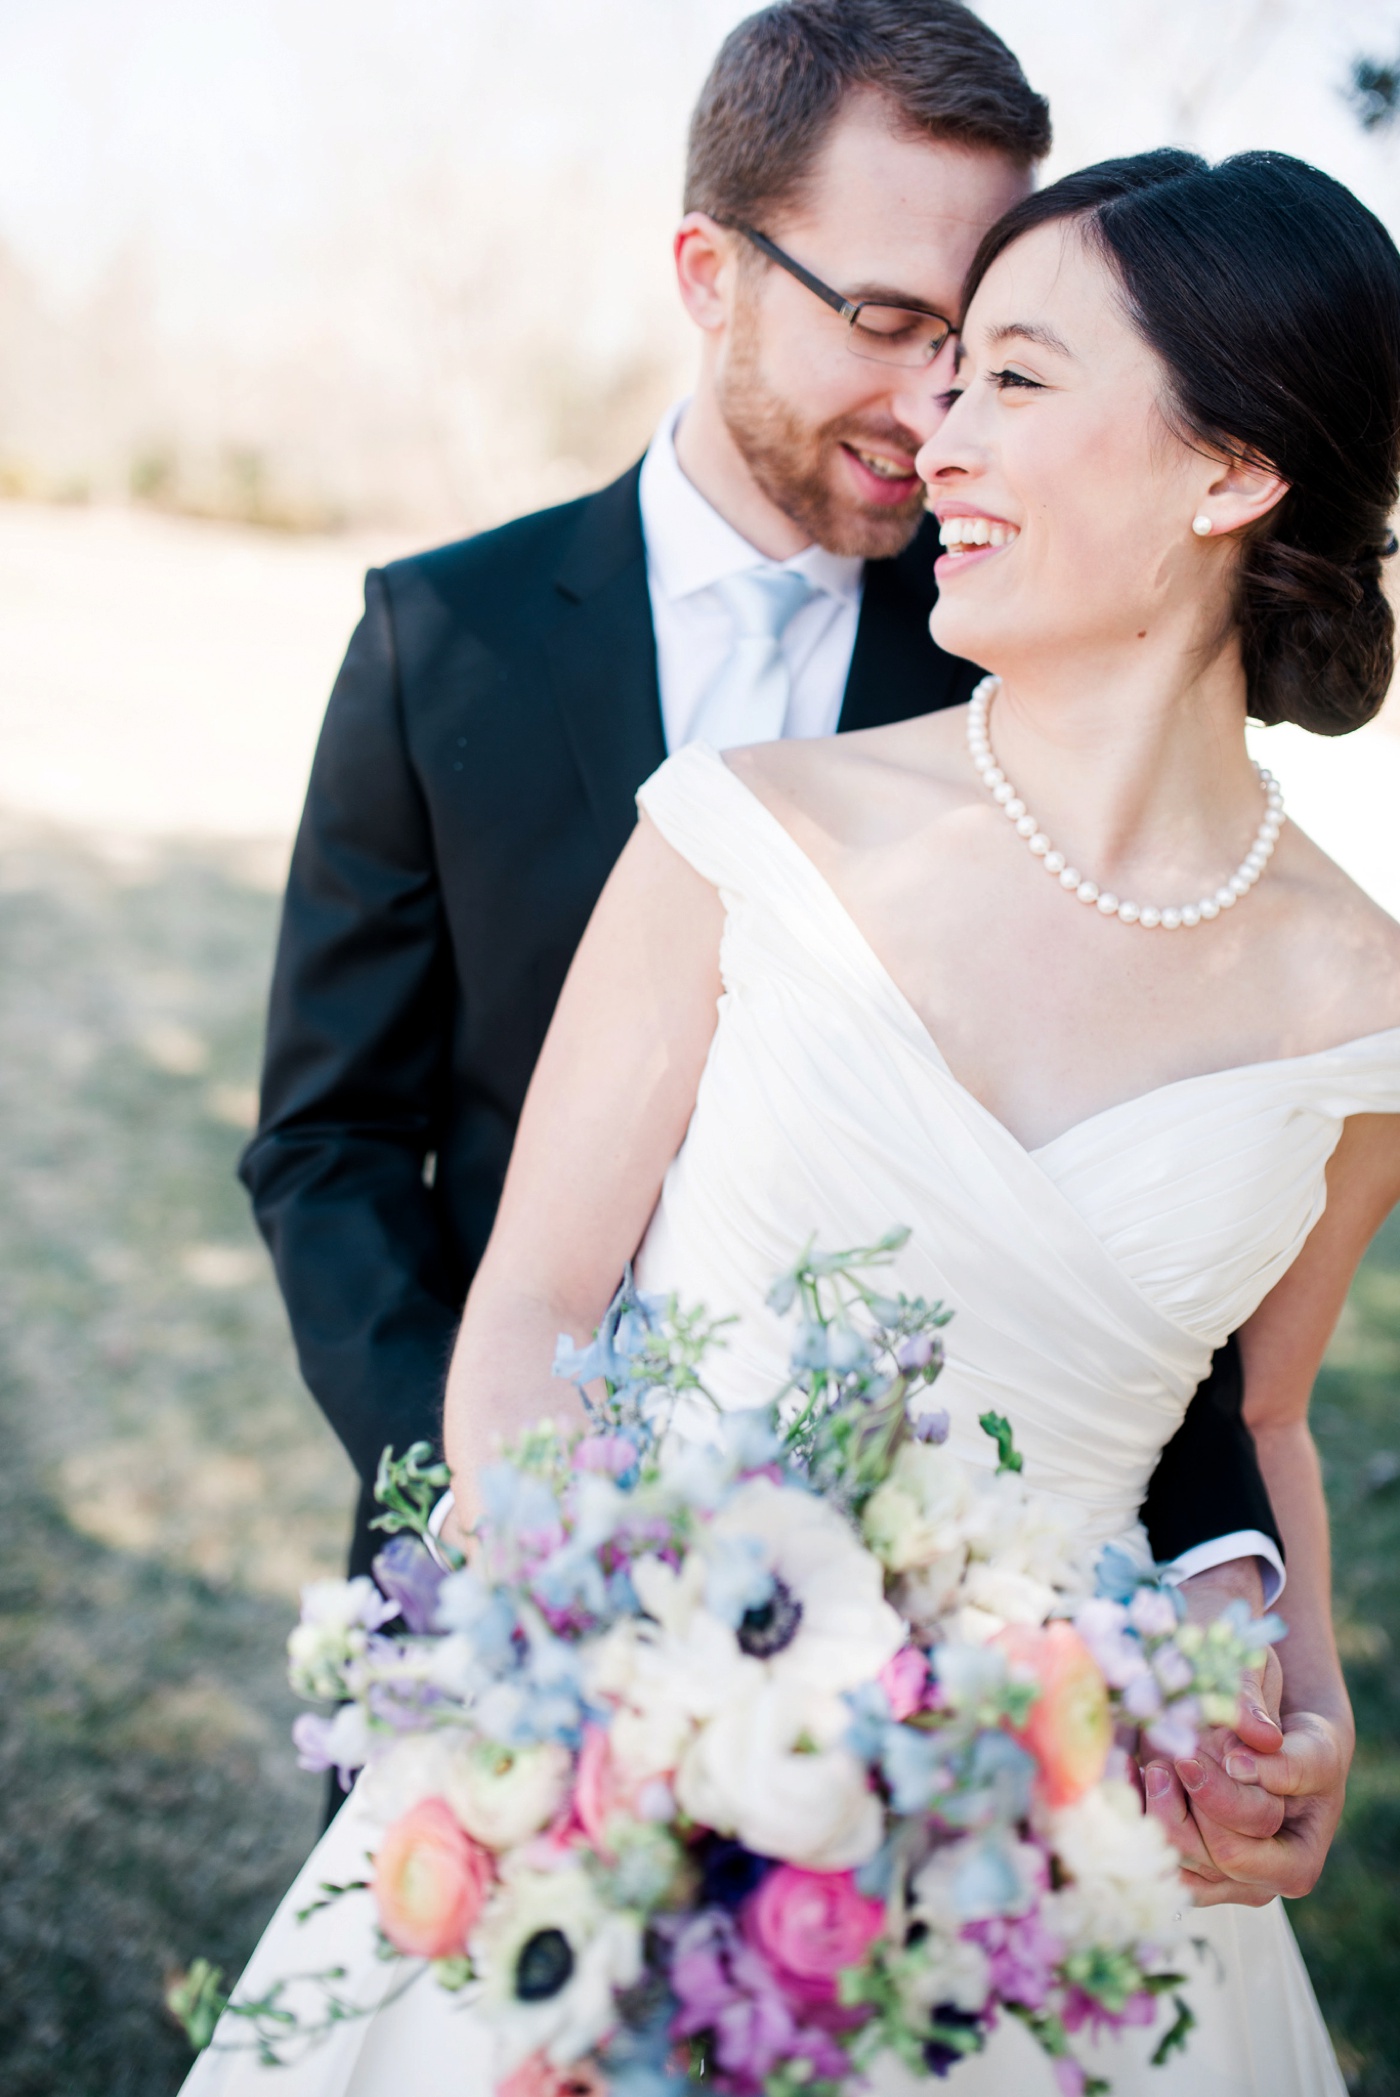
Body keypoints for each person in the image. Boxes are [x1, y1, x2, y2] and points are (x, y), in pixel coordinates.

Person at [191, 139, 1400, 2097]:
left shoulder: (1366, 1007)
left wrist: (1304, 1690)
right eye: (939, 362)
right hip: (615, 1785)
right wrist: (611, 1791)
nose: (935, 427)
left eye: (1012, 374)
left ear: (1230, 471)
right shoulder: (747, 831)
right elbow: (528, 1309)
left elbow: (1249, 1412)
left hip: (1061, 1873)